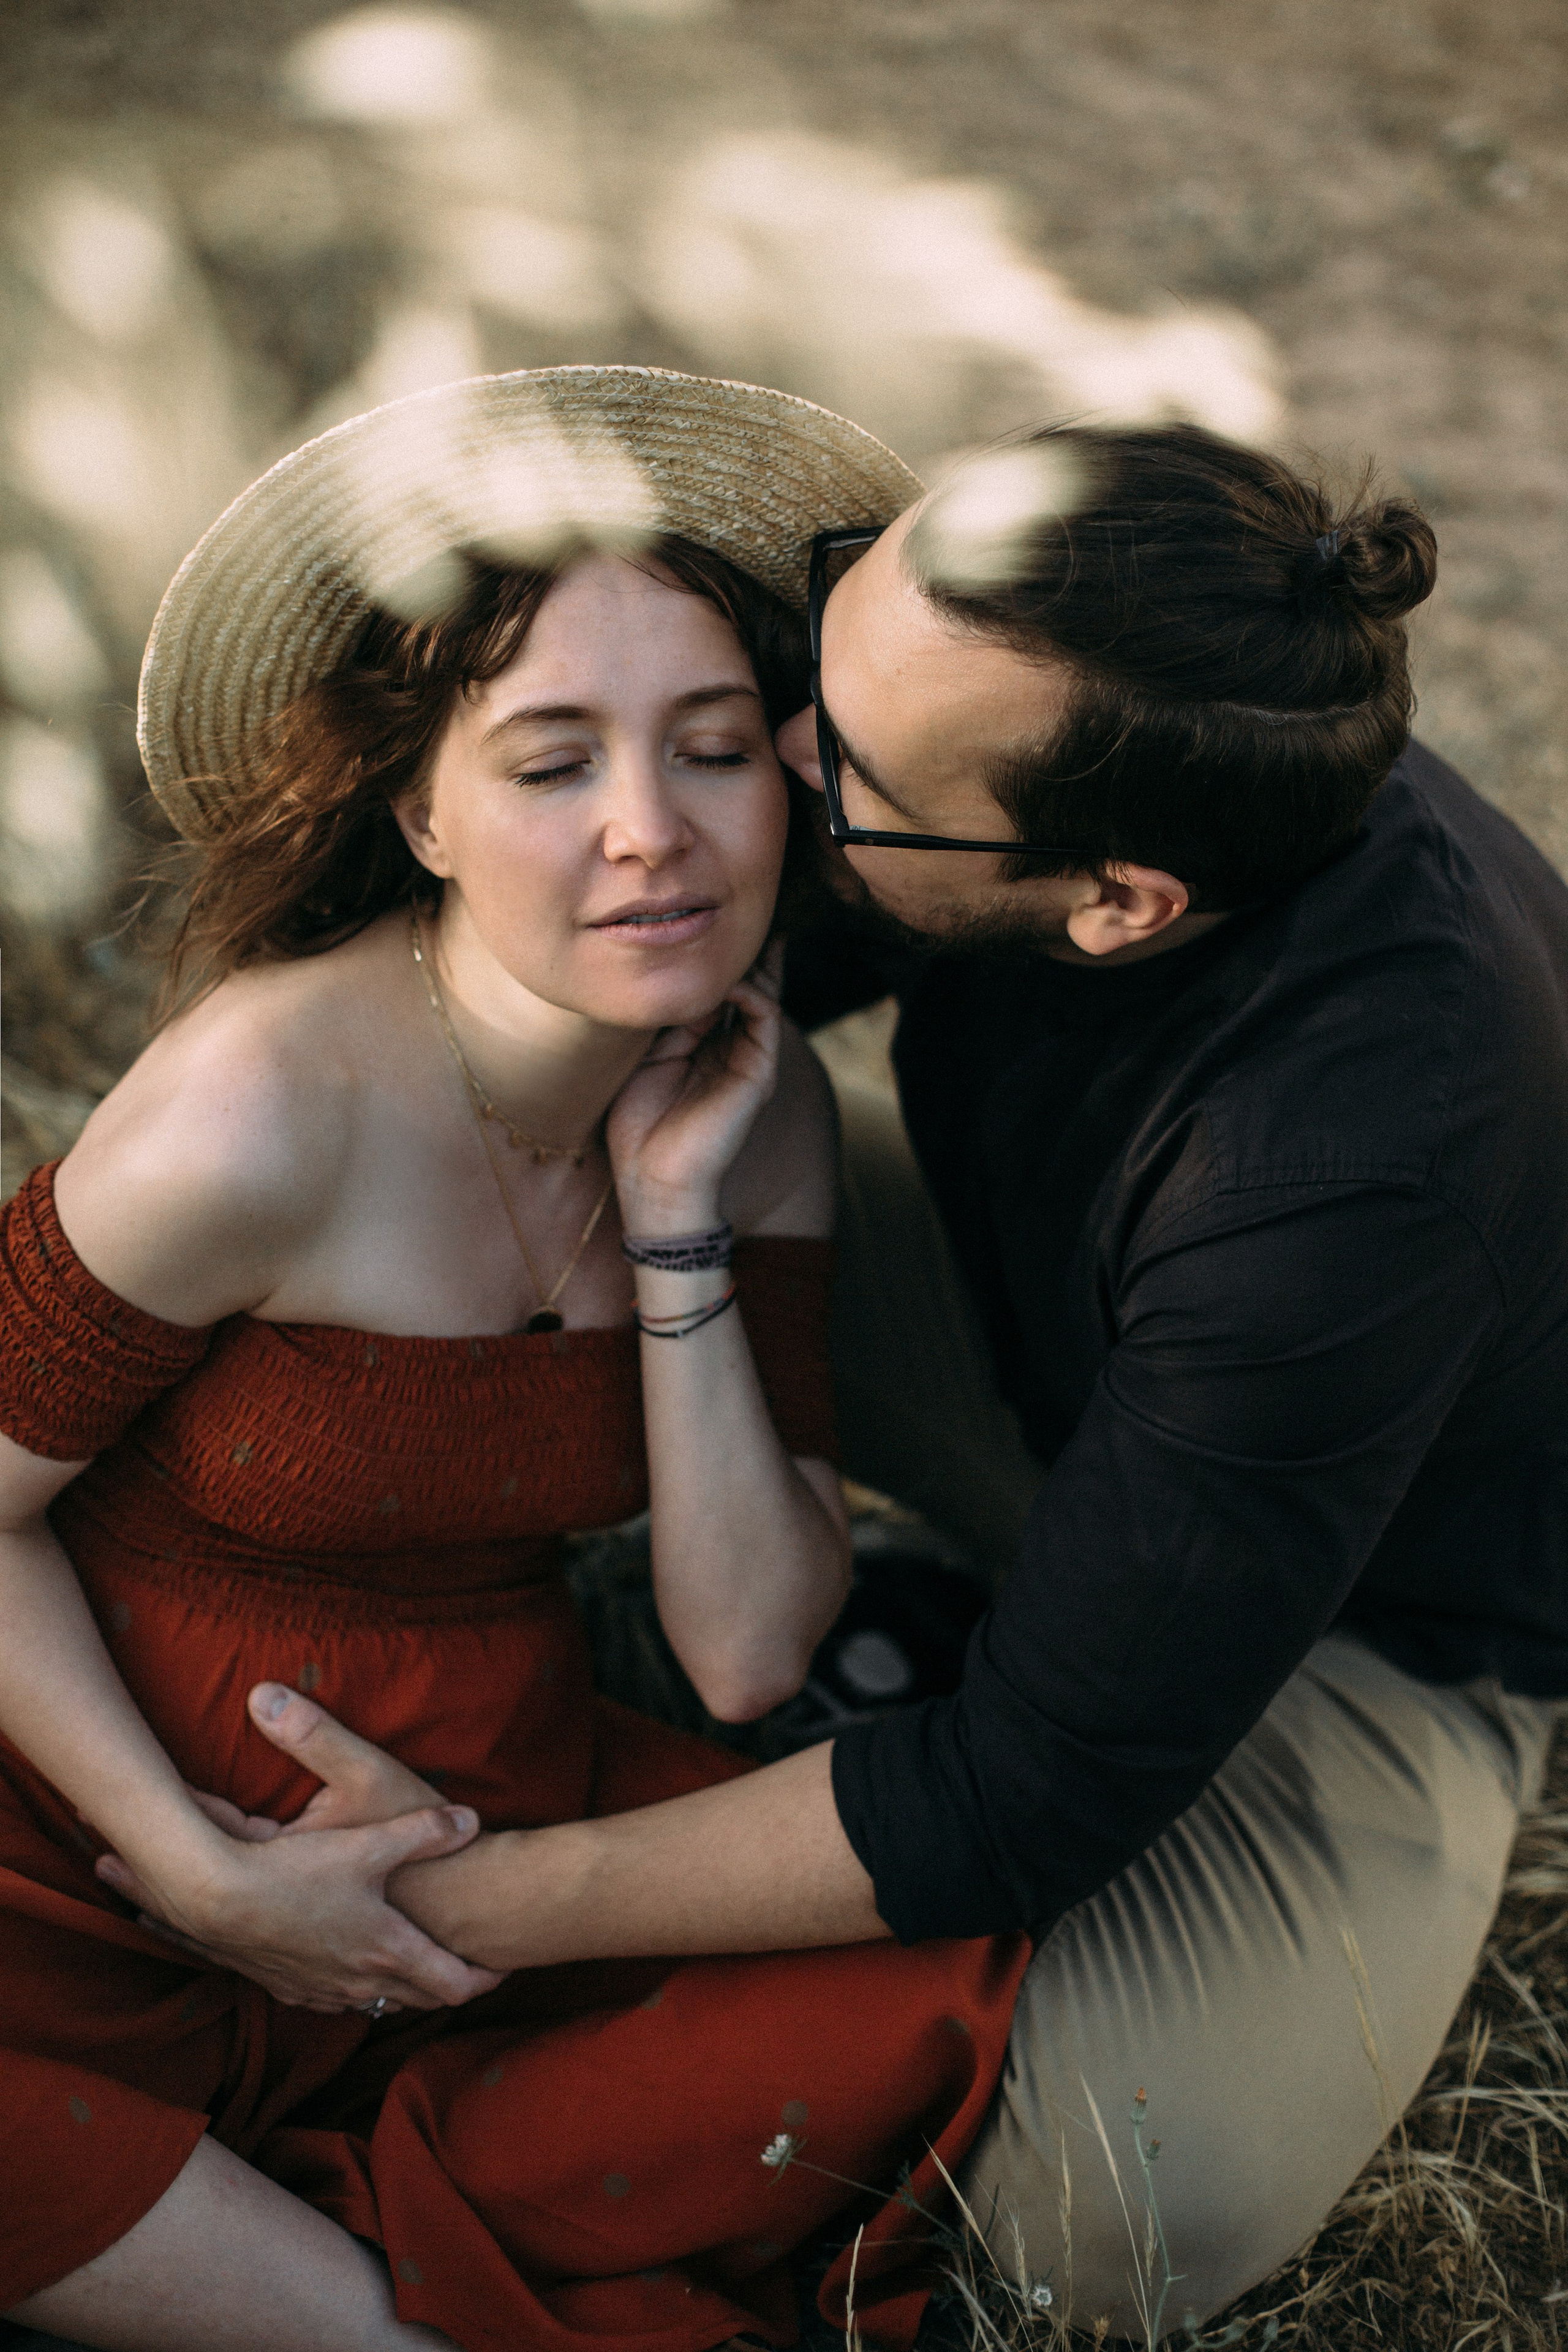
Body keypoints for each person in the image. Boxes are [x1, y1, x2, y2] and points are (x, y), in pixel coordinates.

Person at [155, 418, 1568, 2339]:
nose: (787, 758)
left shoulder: (1357, 1167)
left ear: (1119, 900)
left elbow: (1024, 1797)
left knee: (1124, 2200)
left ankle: (934, 1644)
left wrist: (442, 1906)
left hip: (1369, 1603)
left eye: (853, 769)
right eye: (824, 645)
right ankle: (918, 1623)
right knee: (492, 1156)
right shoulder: (998, 708)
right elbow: (616, 932)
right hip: (1035, 1325)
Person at [0, 369, 1031, 2352]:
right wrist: (194, 1875)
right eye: (555, 763)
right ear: (421, 810)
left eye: (716, 749)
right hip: (82, 1842)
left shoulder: (758, 1110)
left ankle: (299, 2216)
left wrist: (675, 1224)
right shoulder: (256, 1113)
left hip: (480, 1834)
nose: (654, 835)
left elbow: (742, 1653)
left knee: (927, 1984)